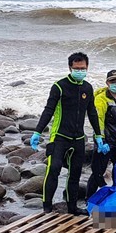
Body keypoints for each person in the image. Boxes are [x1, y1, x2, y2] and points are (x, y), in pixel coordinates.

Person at [30, 52, 104, 215]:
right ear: (70, 67)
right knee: (54, 169)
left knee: (75, 174)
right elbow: (48, 110)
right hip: (60, 137)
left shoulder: (87, 88)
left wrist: (98, 135)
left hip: (78, 138)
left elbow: (91, 112)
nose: (80, 71)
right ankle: (47, 207)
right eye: (76, 68)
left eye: (83, 68)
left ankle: (72, 207)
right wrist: (37, 131)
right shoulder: (59, 86)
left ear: (87, 68)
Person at [86, 70, 116, 199]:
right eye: (113, 81)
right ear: (107, 82)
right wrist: (100, 140)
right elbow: (98, 121)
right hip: (106, 143)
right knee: (98, 173)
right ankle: (88, 199)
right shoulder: (101, 99)